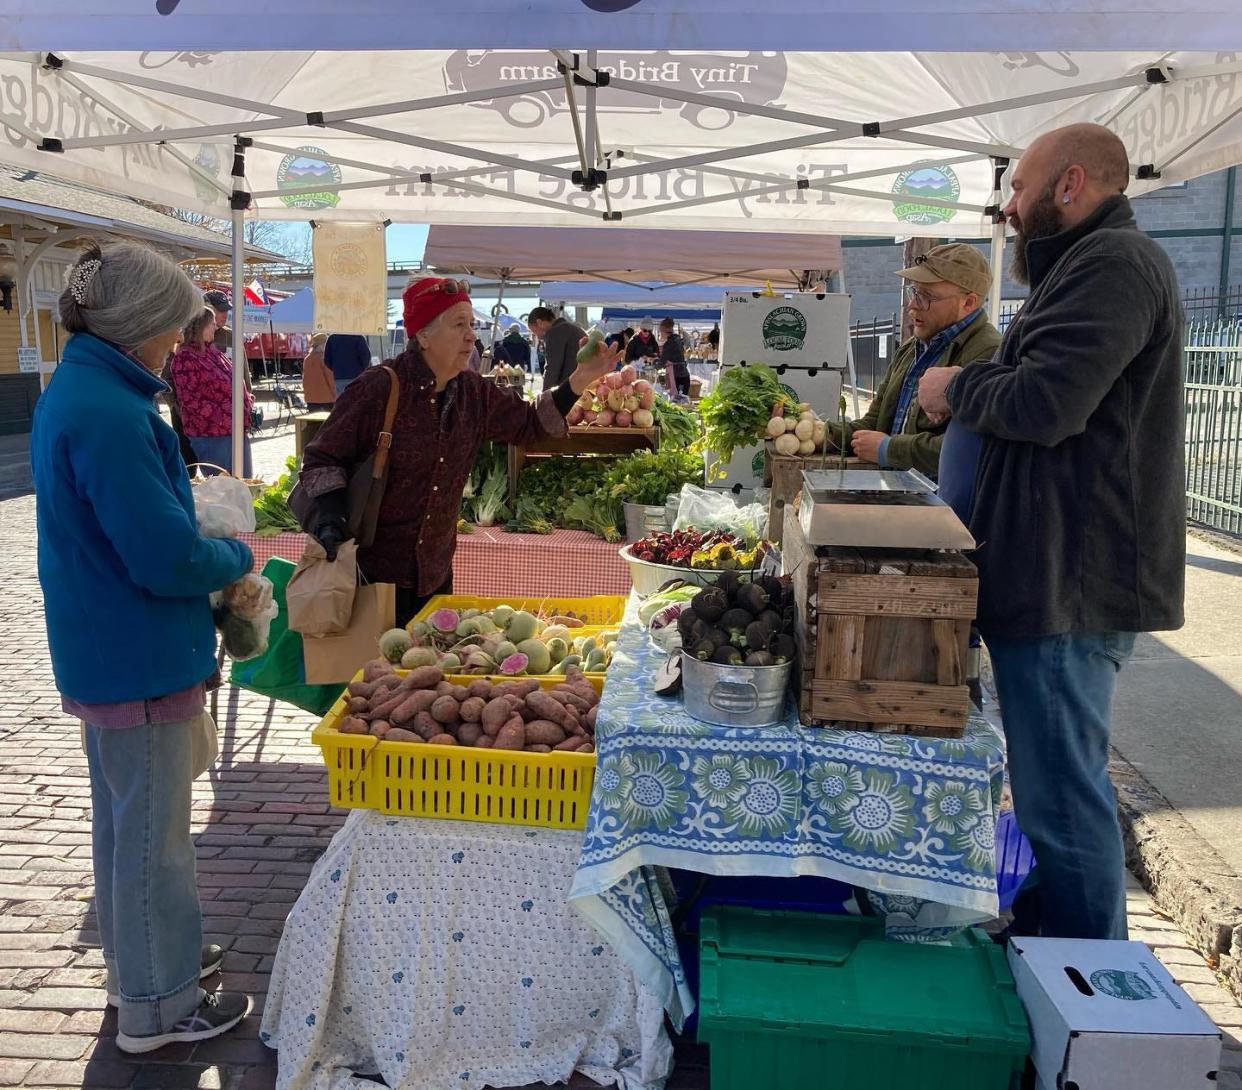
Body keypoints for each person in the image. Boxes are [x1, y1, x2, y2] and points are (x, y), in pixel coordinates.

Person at [918, 123, 1185, 941]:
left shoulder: (1115, 266)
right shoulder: (1086, 268)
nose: (1009, 207)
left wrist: (959, 387)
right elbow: (1034, 381)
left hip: (1074, 579)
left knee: (1063, 798)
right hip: (1051, 571)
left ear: (1070, 185)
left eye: (1020, 190)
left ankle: (1086, 988)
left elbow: (1044, 403)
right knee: (1042, 790)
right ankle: (1048, 948)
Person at [31, 242, 254, 1054]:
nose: (183, 338)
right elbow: (166, 558)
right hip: (139, 654)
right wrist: (236, 557)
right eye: (175, 322)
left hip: (106, 650)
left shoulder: (82, 391)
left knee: (126, 828)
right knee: (154, 841)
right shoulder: (114, 412)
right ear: (143, 325)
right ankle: (160, 1008)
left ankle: (143, 965)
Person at [300, 278, 621, 624]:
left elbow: (530, 423)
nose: (471, 335)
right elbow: (322, 457)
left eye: (471, 324)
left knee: (425, 671)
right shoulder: (378, 387)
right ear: (422, 336)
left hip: (435, 575)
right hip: (372, 576)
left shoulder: (473, 394)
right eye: (458, 324)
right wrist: (330, 521)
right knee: (374, 675)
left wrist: (580, 379)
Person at [823, 244, 1000, 478]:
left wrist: (889, 449)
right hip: (899, 495)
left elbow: (970, 449)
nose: (912, 305)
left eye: (926, 296)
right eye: (913, 292)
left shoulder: (989, 352)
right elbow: (874, 423)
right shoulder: (912, 348)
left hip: (944, 507)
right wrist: (819, 434)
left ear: (968, 303)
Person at [169, 306, 255, 478]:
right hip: (212, 434)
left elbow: (233, 380)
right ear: (200, 326)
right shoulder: (185, 358)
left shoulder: (213, 352)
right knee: (223, 490)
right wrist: (228, 416)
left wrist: (246, 401)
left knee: (244, 484)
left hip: (235, 429)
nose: (215, 327)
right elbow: (191, 401)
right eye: (212, 323)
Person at [526, 306, 585, 391]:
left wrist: (545, 396)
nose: (538, 337)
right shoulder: (567, 328)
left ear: (539, 323)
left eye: (534, 331)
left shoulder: (555, 333)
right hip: (584, 382)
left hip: (576, 386)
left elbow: (552, 369)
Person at [325, 333, 372, 397]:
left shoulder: (332, 338)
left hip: (339, 377)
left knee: (342, 401)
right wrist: (363, 369)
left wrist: (336, 369)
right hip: (356, 376)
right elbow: (365, 356)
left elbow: (327, 359)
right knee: (356, 401)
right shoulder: (358, 337)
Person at [301, 332, 335, 412]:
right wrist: (335, 394)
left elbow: (305, 379)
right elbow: (330, 378)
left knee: (313, 423)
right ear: (322, 345)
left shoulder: (307, 359)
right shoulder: (324, 358)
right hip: (326, 398)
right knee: (328, 422)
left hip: (311, 398)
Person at [659, 317, 690, 399]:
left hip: (678, 377)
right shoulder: (677, 339)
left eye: (660, 331)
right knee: (682, 404)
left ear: (663, 330)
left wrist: (653, 364)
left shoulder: (670, 343)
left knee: (678, 403)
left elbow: (661, 363)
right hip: (683, 375)